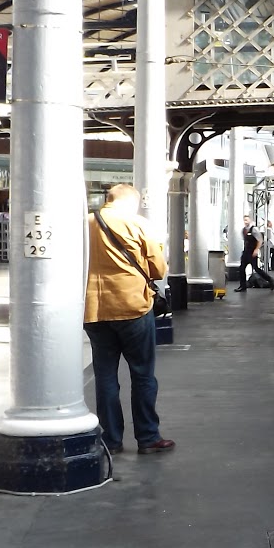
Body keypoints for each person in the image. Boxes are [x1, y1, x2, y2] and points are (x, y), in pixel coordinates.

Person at [85, 183, 174, 454]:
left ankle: (111, 439)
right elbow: (158, 269)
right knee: (143, 374)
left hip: (94, 309)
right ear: (130, 202)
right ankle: (147, 437)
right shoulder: (137, 223)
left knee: (105, 375)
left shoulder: (85, 223)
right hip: (132, 307)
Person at [235, 218, 259, 293]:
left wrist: (256, 249)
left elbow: (260, 240)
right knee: (241, 268)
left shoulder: (254, 229)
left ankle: (270, 280)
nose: (245, 222)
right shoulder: (244, 230)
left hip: (252, 252)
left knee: (256, 268)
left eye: (247, 220)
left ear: (250, 221)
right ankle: (243, 286)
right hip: (246, 252)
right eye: (244, 220)